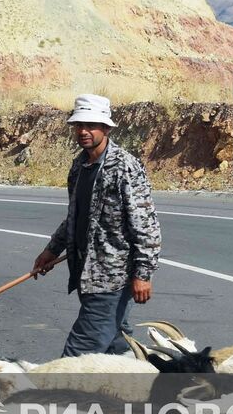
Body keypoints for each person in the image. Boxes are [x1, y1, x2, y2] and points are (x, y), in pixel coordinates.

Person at [31, 94, 161, 357]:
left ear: (107, 128)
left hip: (111, 278)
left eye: (91, 125)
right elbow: (76, 217)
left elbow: (145, 223)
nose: (83, 131)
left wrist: (143, 274)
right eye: (79, 125)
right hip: (85, 273)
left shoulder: (124, 166)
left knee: (78, 356)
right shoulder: (79, 166)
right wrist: (52, 250)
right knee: (116, 346)